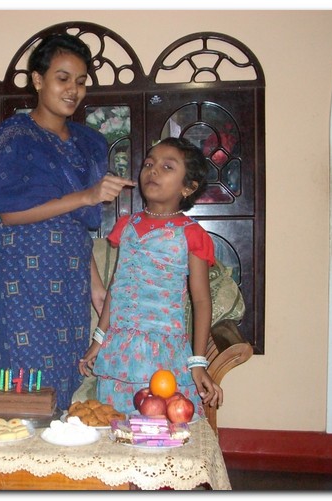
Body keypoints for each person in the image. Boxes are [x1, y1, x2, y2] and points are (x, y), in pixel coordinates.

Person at [0, 33, 136, 410]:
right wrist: (88, 195)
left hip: (68, 277)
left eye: (81, 81)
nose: (73, 90)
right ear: (37, 80)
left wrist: (95, 284)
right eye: (62, 78)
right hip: (18, 279)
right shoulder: (16, 136)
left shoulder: (88, 143)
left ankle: (57, 447)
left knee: (63, 384)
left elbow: (75, 223)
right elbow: (7, 213)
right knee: (22, 388)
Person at [79, 136, 223, 417]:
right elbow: (117, 288)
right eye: (148, 164)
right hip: (119, 350)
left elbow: (201, 301)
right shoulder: (127, 225)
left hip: (164, 352)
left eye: (167, 167)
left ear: (188, 187)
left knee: (162, 427)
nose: (153, 170)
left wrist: (198, 362)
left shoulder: (191, 234)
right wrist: (98, 341)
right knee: (117, 424)